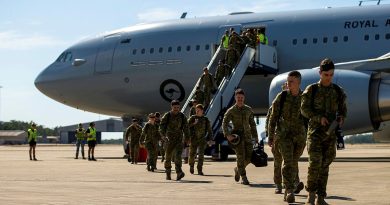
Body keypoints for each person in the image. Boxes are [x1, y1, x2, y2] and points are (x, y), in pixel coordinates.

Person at [301, 58, 347, 205]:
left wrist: (341, 117)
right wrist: (318, 118)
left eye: (331, 75)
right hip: (315, 133)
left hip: (330, 134)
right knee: (315, 162)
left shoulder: (337, 91)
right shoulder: (312, 90)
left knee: (325, 164)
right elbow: (304, 109)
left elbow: (343, 109)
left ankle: (321, 197)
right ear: (320, 73)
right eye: (326, 74)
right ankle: (311, 194)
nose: (328, 78)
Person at [268, 71, 306, 203]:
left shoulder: (305, 98)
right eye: (288, 81)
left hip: (300, 137)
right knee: (288, 162)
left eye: (291, 82)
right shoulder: (282, 97)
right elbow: (273, 117)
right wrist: (270, 135)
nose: (288, 84)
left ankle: (292, 185)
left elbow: (311, 117)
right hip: (284, 136)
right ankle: (289, 190)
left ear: (298, 83)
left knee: (293, 162)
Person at [222, 88, 258, 185]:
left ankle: (238, 169)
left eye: (241, 98)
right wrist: (227, 134)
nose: (240, 99)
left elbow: (253, 124)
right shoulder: (231, 111)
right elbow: (224, 122)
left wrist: (255, 137)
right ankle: (244, 177)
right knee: (240, 157)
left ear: (244, 98)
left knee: (249, 158)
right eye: (238, 98)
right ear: (235, 98)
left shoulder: (248, 109)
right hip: (237, 138)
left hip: (248, 137)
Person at [159, 100, 189, 180]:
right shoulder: (167, 116)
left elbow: (186, 128)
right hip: (169, 140)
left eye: (178, 107)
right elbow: (162, 127)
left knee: (178, 156)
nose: (176, 109)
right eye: (175, 107)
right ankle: (168, 173)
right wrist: (163, 135)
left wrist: (187, 138)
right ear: (171, 107)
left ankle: (179, 172)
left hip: (179, 139)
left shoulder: (182, 116)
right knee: (168, 157)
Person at [188, 104, 212, 175]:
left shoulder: (205, 119)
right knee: (192, 154)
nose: (197, 111)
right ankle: (191, 165)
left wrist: (210, 139)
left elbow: (209, 130)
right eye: (196, 110)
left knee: (201, 155)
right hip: (193, 139)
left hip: (202, 139)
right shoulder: (193, 118)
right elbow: (186, 126)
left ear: (202, 111)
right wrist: (193, 123)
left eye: (198, 110)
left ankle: (199, 169)